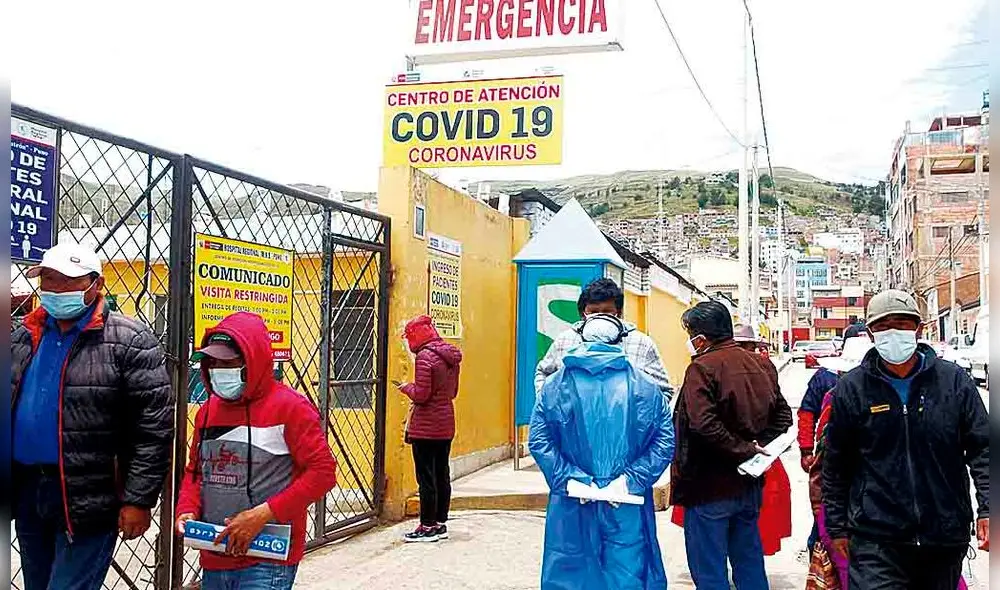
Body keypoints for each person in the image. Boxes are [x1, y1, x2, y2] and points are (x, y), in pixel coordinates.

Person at [12, 242, 174, 590]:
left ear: (95, 285)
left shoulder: (130, 340)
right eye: (49, 280)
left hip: (88, 495)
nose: (55, 290)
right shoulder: (24, 335)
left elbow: (154, 429)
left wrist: (138, 499)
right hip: (28, 488)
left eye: (67, 281)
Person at [823, 289, 989, 588]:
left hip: (944, 535)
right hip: (876, 538)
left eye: (902, 323)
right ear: (871, 334)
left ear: (918, 329)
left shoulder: (953, 381)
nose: (893, 333)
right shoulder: (852, 388)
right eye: (883, 326)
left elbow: (983, 449)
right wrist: (836, 526)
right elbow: (836, 464)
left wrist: (989, 507)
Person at [175, 312, 338, 589]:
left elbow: (323, 473)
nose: (217, 369)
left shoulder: (291, 408)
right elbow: (195, 472)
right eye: (212, 362)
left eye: (227, 362)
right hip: (216, 552)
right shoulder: (207, 412)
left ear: (253, 361)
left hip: (268, 556)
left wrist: (263, 514)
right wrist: (187, 508)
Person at [529, 313, 674, 589]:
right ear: (620, 340)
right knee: (627, 570)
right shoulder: (645, 388)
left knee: (570, 570)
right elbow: (665, 442)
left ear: (581, 339)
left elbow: (539, 441)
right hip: (625, 500)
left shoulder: (554, 387)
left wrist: (571, 479)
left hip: (572, 499)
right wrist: (631, 480)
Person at [670, 301, 793, 589]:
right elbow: (783, 417)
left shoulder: (701, 368)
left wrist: (746, 449)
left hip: (708, 486)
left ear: (700, 338)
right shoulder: (761, 364)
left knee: (710, 570)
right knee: (749, 563)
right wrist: (756, 448)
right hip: (749, 485)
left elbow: (704, 425)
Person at [534, 278, 673, 400]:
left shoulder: (641, 344)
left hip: (626, 429)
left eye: (607, 311)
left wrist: (639, 418)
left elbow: (663, 390)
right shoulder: (565, 341)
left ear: (618, 313)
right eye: (594, 312)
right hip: (573, 428)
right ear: (583, 313)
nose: (600, 317)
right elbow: (544, 373)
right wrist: (550, 408)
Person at [797, 323, 865, 558]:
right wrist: (806, 450)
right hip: (835, 466)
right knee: (828, 521)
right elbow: (806, 413)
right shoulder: (825, 380)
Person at [394, 315, 463, 543]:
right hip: (445, 423)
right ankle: (441, 522)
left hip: (426, 427)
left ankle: (427, 526)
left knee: (426, 477)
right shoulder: (450, 356)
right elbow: (452, 392)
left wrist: (406, 388)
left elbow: (422, 395)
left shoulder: (425, 357)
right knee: (442, 473)